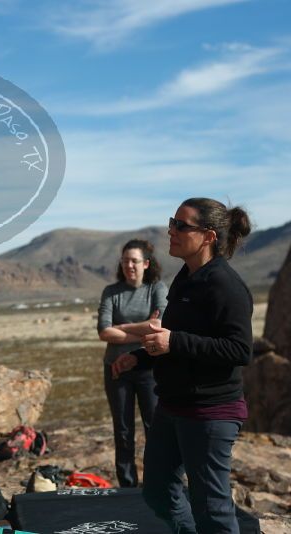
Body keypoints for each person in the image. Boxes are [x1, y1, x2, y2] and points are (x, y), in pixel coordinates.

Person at [112, 198, 253, 534]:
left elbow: (239, 349)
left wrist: (173, 342)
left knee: (213, 510)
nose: (170, 231)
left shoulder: (225, 285)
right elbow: (176, 337)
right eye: (172, 222)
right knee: (158, 492)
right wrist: (140, 356)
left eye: (181, 225)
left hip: (210, 412)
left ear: (208, 236)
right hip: (174, 406)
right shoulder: (185, 278)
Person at [97, 239, 167, 487]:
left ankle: (157, 484)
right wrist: (142, 333)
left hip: (149, 368)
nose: (129, 265)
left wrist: (122, 328)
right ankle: (127, 485)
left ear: (146, 263)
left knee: (154, 427)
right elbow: (104, 332)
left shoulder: (156, 289)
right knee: (123, 430)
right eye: (125, 260)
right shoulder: (111, 292)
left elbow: (159, 326)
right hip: (116, 369)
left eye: (134, 261)